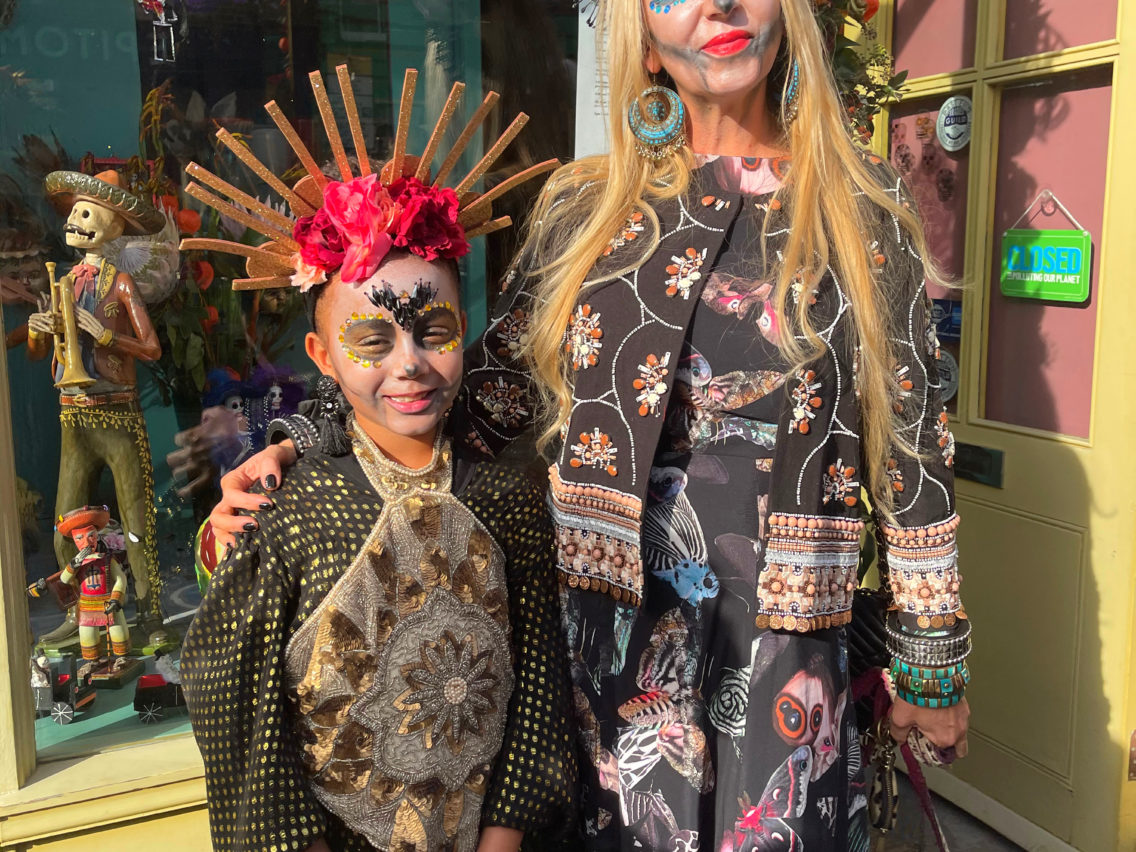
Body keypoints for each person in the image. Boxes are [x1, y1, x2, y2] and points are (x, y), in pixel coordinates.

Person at [212, 2, 972, 848]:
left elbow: (914, 448)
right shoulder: (586, 214)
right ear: (644, 43)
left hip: (786, 663)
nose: (718, 5)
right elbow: (484, 396)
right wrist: (300, 449)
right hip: (603, 660)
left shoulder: (864, 218)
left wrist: (930, 666)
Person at [179, 67, 574, 852]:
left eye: (434, 333)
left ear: (466, 328)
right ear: (322, 355)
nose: (410, 365)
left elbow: (539, 685)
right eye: (372, 341)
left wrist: (504, 834)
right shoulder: (296, 508)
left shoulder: (507, 497)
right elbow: (238, 700)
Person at [25, 169, 168, 645]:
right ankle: (79, 613)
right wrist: (37, 329)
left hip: (118, 412)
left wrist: (105, 335)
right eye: (73, 212)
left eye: (87, 213)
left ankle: (149, 615)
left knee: (135, 520)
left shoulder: (120, 282)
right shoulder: (65, 280)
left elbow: (152, 349)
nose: (74, 220)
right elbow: (34, 355)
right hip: (74, 413)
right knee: (66, 521)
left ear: (114, 227)